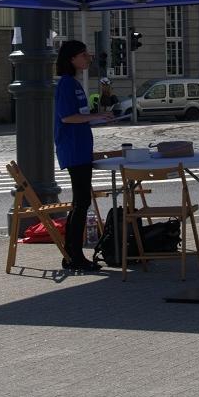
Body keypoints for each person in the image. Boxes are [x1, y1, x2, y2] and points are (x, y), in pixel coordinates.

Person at [54, 40, 115, 271]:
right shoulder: (66, 85)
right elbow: (66, 117)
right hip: (73, 149)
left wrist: (99, 116)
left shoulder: (76, 83)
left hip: (81, 148)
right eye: (83, 54)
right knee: (81, 202)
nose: (88, 58)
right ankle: (74, 255)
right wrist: (95, 117)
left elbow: (79, 115)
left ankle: (72, 254)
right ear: (71, 58)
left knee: (81, 202)